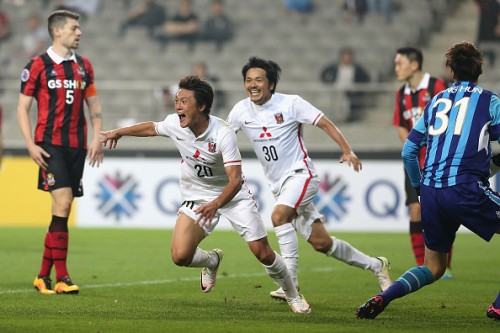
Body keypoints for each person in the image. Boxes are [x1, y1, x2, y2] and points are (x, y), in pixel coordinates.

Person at [101, 75, 311, 314]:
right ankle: (212, 260)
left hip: (232, 196)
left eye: (184, 101)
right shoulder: (174, 123)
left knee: (262, 252)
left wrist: (216, 204)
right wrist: (118, 132)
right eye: (177, 100)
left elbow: (235, 180)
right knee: (180, 255)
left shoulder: (223, 133)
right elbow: (151, 127)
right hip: (197, 195)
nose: (178, 106)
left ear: (201, 106)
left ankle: (293, 294)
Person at [226, 56, 392, 301]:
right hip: (279, 186)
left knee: (279, 216)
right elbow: (223, 136)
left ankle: (289, 284)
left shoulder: (291, 103)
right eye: (248, 80)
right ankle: (377, 265)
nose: (253, 84)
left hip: (301, 175)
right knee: (322, 243)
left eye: (258, 80)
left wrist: (347, 149)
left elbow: (324, 123)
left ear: (270, 84)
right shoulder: (241, 110)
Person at [356, 41, 500, 320]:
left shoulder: (437, 101)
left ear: (451, 71)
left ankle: (383, 297)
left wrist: (420, 187)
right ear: (479, 69)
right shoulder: (489, 101)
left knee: (433, 266)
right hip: (465, 188)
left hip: (432, 191)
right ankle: (497, 306)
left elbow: (409, 150)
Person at [17, 10, 104, 295]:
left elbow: (94, 106)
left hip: (77, 146)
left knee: (60, 211)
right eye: (74, 28)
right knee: (64, 203)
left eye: (79, 28)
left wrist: (97, 138)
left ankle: (43, 276)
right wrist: (30, 144)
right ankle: (63, 277)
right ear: (58, 32)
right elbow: (23, 108)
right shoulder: (38, 65)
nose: (79, 32)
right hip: (49, 144)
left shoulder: (84, 66)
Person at [392, 47, 453, 278]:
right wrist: (412, 145)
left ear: (414, 64)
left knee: (443, 212)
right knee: (415, 210)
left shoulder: (437, 87)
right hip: (413, 162)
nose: (396, 68)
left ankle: (445, 265)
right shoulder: (401, 93)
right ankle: (423, 265)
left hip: (438, 161)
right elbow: (400, 124)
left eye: (399, 63)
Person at [320, 47, 371, 122]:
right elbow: (324, 74)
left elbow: (366, 78)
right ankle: (335, 119)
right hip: (337, 90)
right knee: (337, 106)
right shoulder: (334, 66)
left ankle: (348, 119)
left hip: (350, 91)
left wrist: (357, 86)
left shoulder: (356, 68)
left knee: (347, 106)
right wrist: (329, 82)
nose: (347, 59)